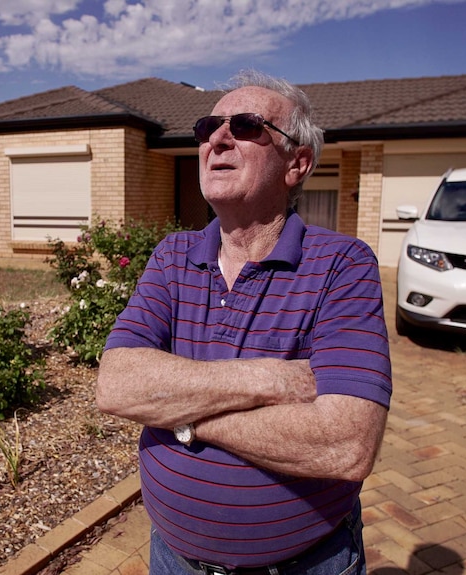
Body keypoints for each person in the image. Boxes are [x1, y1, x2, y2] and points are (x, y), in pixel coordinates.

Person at [96, 70, 392, 574]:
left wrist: (179, 415)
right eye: (209, 125)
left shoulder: (343, 263)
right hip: (173, 559)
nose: (217, 137)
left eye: (247, 125)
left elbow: (346, 445)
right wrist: (268, 378)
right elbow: (116, 385)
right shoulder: (173, 256)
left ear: (297, 163)